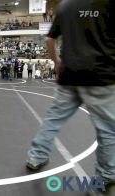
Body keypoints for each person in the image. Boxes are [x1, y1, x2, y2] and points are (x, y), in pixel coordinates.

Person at [26, 0, 115, 192]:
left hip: (70, 74)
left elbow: (50, 39)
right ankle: (106, 175)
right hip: (101, 76)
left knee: (53, 119)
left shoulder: (65, 6)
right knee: (107, 130)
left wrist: (57, 62)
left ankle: (36, 157)